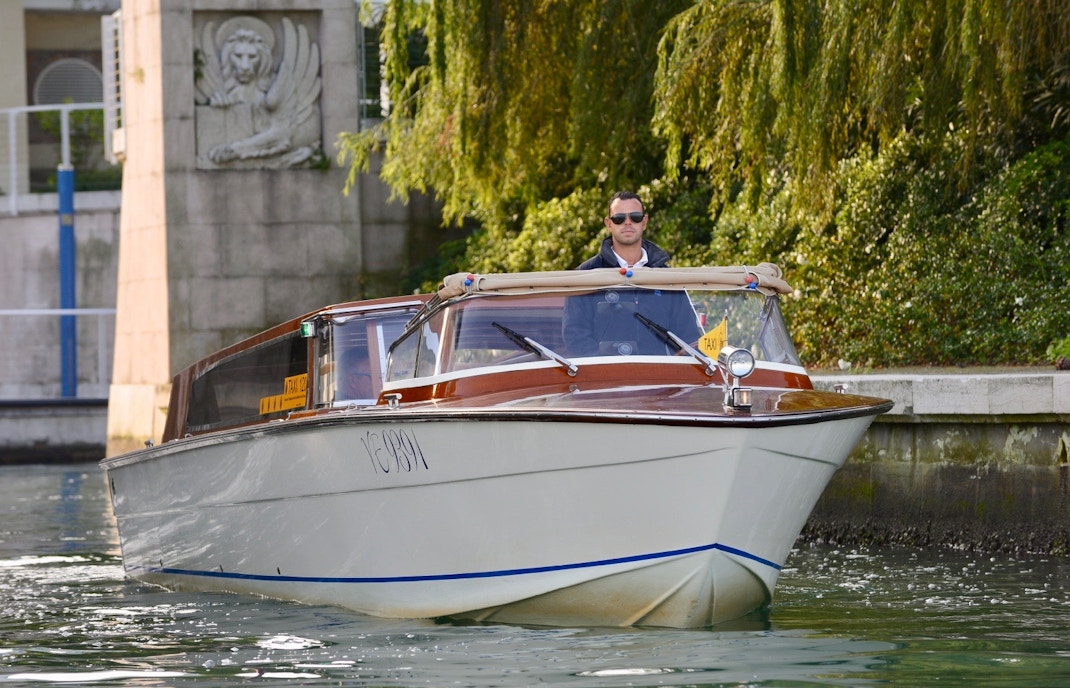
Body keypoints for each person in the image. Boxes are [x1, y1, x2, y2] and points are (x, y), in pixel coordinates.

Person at [563, 191, 703, 356]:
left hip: (660, 378)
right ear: (608, 224)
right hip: (604, 378)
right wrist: (604, 373)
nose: (627, 223)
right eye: (619, 218)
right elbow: (575, 337)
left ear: (644, 222)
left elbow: (688, 337)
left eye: (635, 217)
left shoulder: (667, 278)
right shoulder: (585, 275)